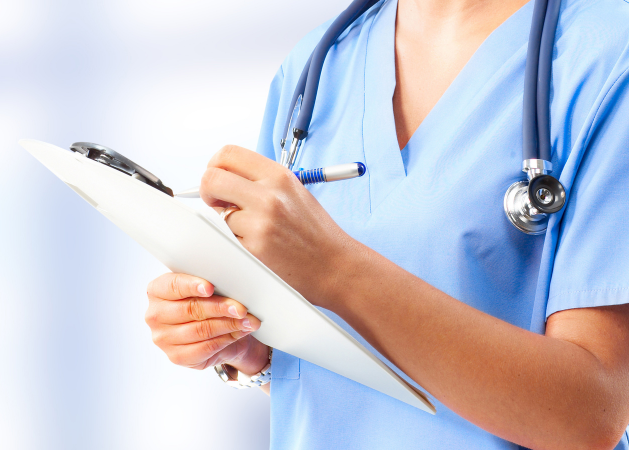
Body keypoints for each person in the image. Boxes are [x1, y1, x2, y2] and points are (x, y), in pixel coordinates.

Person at [142, 0, 629, 448]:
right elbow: (354, 393)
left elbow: (591, 414)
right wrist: (251, 351)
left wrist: (337, 271)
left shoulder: (607, 56)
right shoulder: (319, 62)